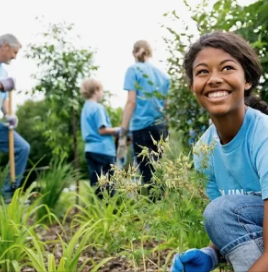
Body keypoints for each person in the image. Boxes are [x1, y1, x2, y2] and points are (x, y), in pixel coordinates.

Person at [171, 31, 268, 272]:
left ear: (247, 80)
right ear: (193, 86)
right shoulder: (204, 150)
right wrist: (211, 254)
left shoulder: (263, 134)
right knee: (219, 211)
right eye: (202, 71)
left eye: (226, 68)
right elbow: (232, 222)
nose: (214, 79)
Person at [117, 40, 170, 193]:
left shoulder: (133, 70)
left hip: (142, 129)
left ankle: (155, 212)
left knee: (148, 177)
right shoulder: (164, 77)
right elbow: (167, 106)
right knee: (161, 174)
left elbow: (131, 103)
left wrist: (123, 132)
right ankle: (165, 211)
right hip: (161, 128)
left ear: (135, 52)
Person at [0, 34, 30, 201]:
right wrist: (1, 85)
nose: (15, 57)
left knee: (22, 148)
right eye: (14, 52)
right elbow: (1, 88)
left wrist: (9, 114)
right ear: (5, 46)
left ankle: (6, 196)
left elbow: (3, 99)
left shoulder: (3, 71)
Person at [80, 78, 120, 198]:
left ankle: (98, 213)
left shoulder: (85, 108)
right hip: (104, 151)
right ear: (96, 90)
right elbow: (102, 130)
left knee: (97, 186)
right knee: (109, 187)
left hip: (90, 150)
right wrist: (119, 130)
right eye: (102, 90)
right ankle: (109, 214)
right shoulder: (98, 108)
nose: (102, 93)